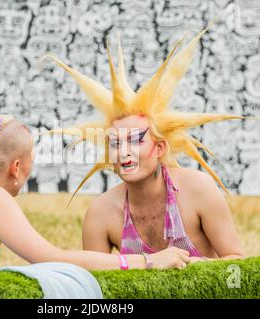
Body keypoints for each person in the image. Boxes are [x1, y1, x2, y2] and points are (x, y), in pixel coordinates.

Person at [0, 115, 192, 299]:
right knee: (55, 280)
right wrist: (148, 262)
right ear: (16, 169)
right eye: (29, 167)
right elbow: (55, 259)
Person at [46, 29, 244, 259]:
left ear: (160, 148)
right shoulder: (100, 214)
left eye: (135, 140)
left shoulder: (198, 190)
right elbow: (93, 285)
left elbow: (235, 262)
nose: (124, 151)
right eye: (115, 143)